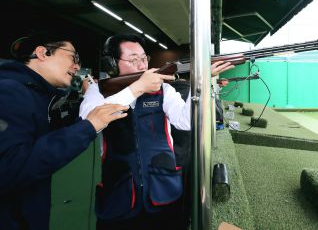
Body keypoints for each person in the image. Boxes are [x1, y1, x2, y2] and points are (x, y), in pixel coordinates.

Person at [79, 34, 234, 230]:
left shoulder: (164, 89)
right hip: (118, 197)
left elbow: (185, 122)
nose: (142, 65)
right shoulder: (98, 92)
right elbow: (88, 122)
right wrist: (137, 88)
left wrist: (204, 84)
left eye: (144, 58)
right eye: (133, 59)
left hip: (165, 191)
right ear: (111, 64)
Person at [0, 32, 129, 230]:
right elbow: (11, 167)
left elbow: (44, 136)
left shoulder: (35, 95)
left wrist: (85, 107)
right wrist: (89, 127)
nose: (77, 66)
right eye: (73, 57)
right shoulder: (9, 92)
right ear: (43, 53)